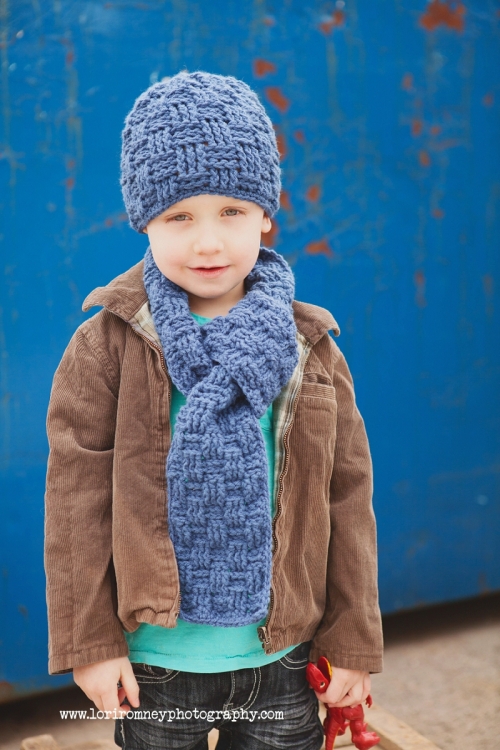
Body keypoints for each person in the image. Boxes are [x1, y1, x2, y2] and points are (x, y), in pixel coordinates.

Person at [44, 70, 383, 750]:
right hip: (154, 668)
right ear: (144, 220)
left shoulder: (309, 345)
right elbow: (77, 503)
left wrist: (352, 639)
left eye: (231, 211)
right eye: (180, 216)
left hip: (284, 659)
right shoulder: (107, 345)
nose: (208, 242)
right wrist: (90, 643)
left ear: (265, 215)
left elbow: (346, 498)